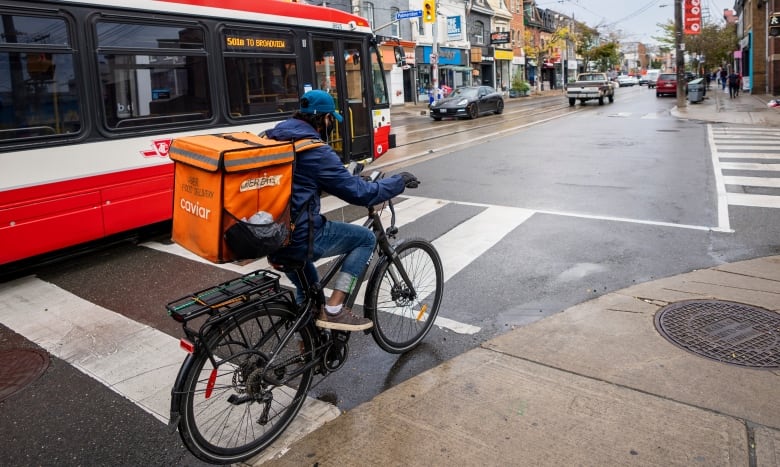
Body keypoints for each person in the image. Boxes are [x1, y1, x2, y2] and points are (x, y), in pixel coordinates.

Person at [265, 89, 419, 331]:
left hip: (270, 235)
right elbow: (360, 194)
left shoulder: (273, 137)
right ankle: (335, 310)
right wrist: (397, 182)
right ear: (324, 119)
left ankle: (308, 350)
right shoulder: (315, 150)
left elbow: (299, 181)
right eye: (331, 121)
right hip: (300, 237)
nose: (331, 127)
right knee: (366, 239)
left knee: (310, 300)